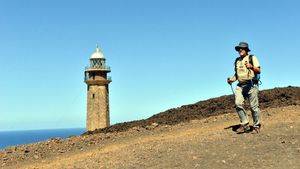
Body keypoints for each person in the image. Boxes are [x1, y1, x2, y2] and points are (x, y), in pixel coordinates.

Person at [227, 42, 261, 133]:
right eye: (239, 49)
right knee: (238, 103)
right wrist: (231, 80)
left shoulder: (252, 58)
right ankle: (245, 124)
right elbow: (237, 75)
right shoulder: (237, 60)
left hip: (251, 84)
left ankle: (256, 125)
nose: (240, 50)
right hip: (240, 85)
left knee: (253, 107)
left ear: (246, 49)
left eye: (241, 48)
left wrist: (251, 66)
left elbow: (259, 70)